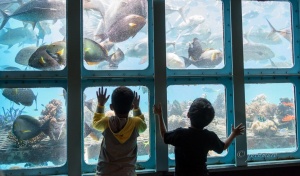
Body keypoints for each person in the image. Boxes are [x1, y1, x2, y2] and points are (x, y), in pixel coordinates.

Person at [153, 98, 245, 176]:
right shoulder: (209, 136)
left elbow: (164, 135)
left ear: (188, 115)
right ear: (210, 120)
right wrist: (234, 134)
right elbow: (223, 147)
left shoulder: (180, 134)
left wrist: (160, 115)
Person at [93, 86, 147, 176]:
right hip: (128, 173)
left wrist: (100, 105)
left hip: (105, 172)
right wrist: (137, 108)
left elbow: (95, 124)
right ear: (131, 107)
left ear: (111, 107)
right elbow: (143, 126)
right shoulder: (136, 123)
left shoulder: (106, 122)